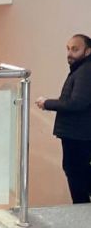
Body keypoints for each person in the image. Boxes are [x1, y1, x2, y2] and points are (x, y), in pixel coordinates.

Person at [36, 34, 91, 204]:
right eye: (68, 49)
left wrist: (47, 103)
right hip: (77, 133)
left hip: (78, 134)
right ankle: (81, 210)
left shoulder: (85, 71)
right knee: (76, 171)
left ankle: (81, 210)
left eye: (75, 49)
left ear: (88, 51)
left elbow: (77, 102)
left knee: (75, 172)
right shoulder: (81, 70)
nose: (69, 53)